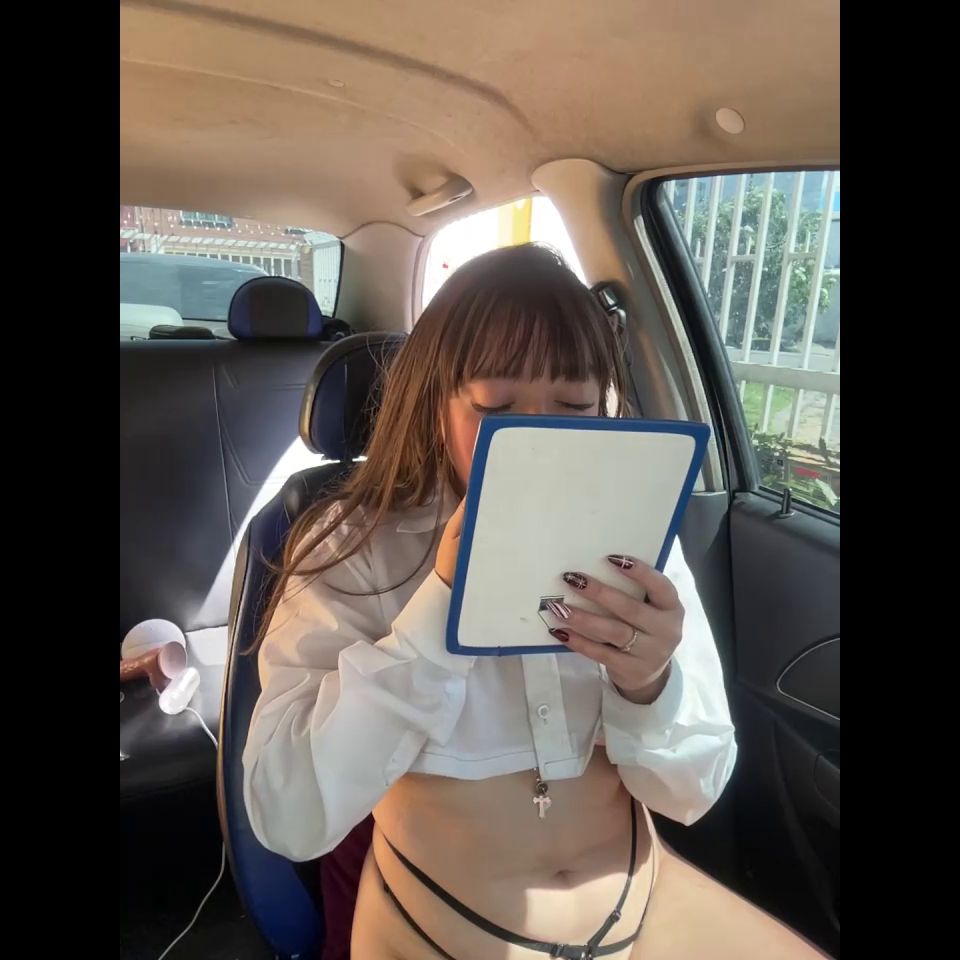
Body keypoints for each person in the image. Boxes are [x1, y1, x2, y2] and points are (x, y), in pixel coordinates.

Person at [243, 245, 826, 959]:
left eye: (575, 406)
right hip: (436, 927)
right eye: (496, 408)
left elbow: (694, 793)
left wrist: (648, 685)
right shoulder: (352, 545)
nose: (543, 435)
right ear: (434, 404)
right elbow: (288, 816)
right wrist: (437, 612)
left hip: (647, 907)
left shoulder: (638, 543)